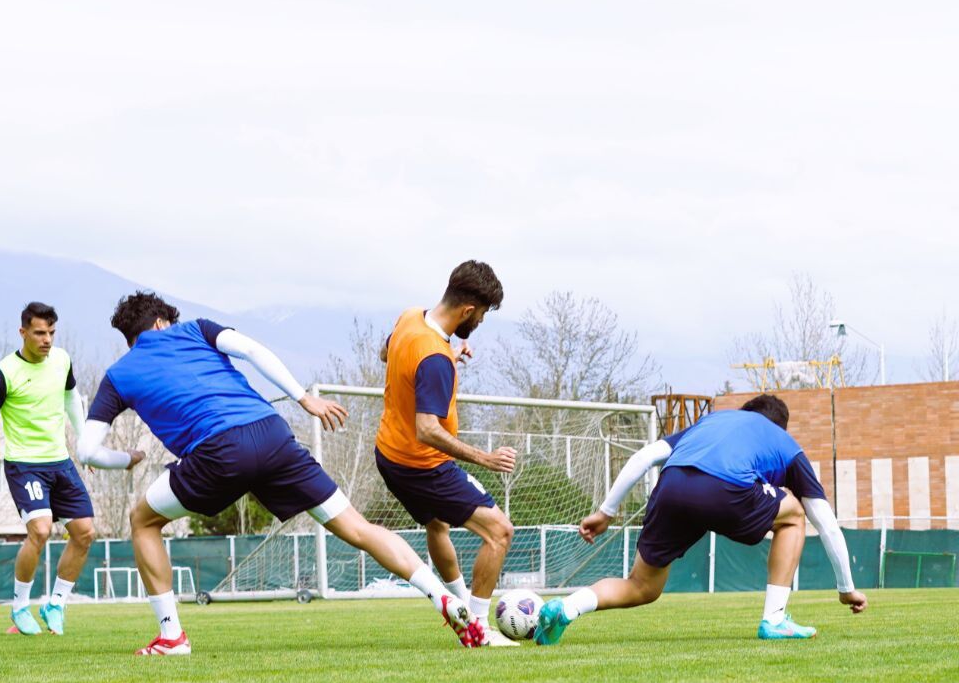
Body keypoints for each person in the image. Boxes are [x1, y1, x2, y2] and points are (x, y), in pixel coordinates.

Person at [76, 291, 483, 655]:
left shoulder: (119, 374)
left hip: (217, 452)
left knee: (143, 520)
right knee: (357, 528)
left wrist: (127, 459)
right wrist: (304, 398)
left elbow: (87, 451)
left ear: (134, 335)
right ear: (162, 322)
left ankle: (171, 636)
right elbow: (252, 350)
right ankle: (442, 597)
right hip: (271, 433)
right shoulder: (196, 330)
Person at [535, 394, 868, 646]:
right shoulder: (784, 442)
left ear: (745, 413)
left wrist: (605, 512)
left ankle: (566, 608)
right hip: (727, 491)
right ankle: (775, 619)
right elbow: (825, 522)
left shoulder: (712, 422)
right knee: (794, 515)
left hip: (671, 486)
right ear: (780, 426)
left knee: (642, 586)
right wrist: (846, 589)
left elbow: (645, 456)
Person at [0, 302, 143, 635]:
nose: (46, 339)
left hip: (60, 462)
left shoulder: (62, 360)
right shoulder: (4, 373)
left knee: (85, 532)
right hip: (24, 465)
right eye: (39, 333)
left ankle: (55, 604)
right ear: (23, 332)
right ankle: (20, 607)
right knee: (41, 530)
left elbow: (71, 400)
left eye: (51, 332)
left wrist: (86, 447)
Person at [375, 260, 519, 646]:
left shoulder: (411, 318)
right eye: (483, 314)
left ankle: (460, 610)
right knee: (500, 532)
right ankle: (477, 628)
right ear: (468, 310)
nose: (481, 321)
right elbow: (427, 430)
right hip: (424, 466)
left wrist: (445, 354)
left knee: (437, 525)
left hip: (389, 455)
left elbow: (386, 354)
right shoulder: (435, 358)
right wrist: (486, 458)